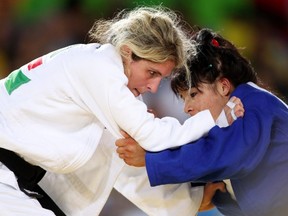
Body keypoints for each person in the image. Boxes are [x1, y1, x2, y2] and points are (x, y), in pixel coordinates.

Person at [0, 7, 242, 215]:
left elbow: (122, 158)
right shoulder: (99, 70)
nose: (153, 87)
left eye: (161, 78)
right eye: (151, 73)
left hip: (16, 179)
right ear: (128, 52)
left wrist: (189, 202)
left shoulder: (97, 76)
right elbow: (154, 137)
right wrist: (214, 118)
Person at [116, 28, 288, 216]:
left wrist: (152, 159)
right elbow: (212, 160)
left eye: (194, 94)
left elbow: (224, 156)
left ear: (223, 87)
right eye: (184, 99)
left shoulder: (255, 103)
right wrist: (212, 195)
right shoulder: (233, 126)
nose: (186, 108)